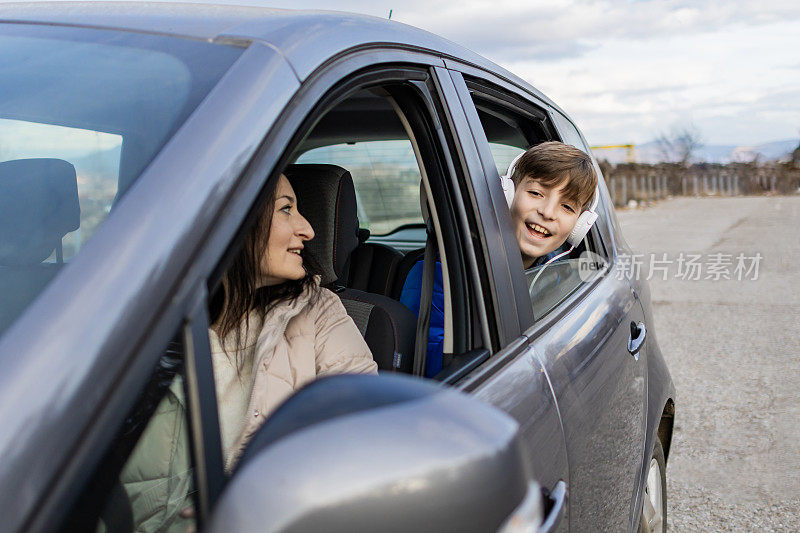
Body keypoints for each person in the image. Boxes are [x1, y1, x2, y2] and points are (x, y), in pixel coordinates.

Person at [121, 173, 377, 532]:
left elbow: (362, 434)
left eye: (297, 209)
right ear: (231, 221)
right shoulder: (141, 318)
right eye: (286, 210)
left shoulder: (319, 312)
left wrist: (264, 492)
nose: (308, 230)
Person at [400, 141, 597, 377]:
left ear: (579, 226)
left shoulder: (559, 275)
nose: (547, 212)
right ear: (508, 194)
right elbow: (432, 372)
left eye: (567, 206)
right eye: (536, 193)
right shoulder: (439, 274)